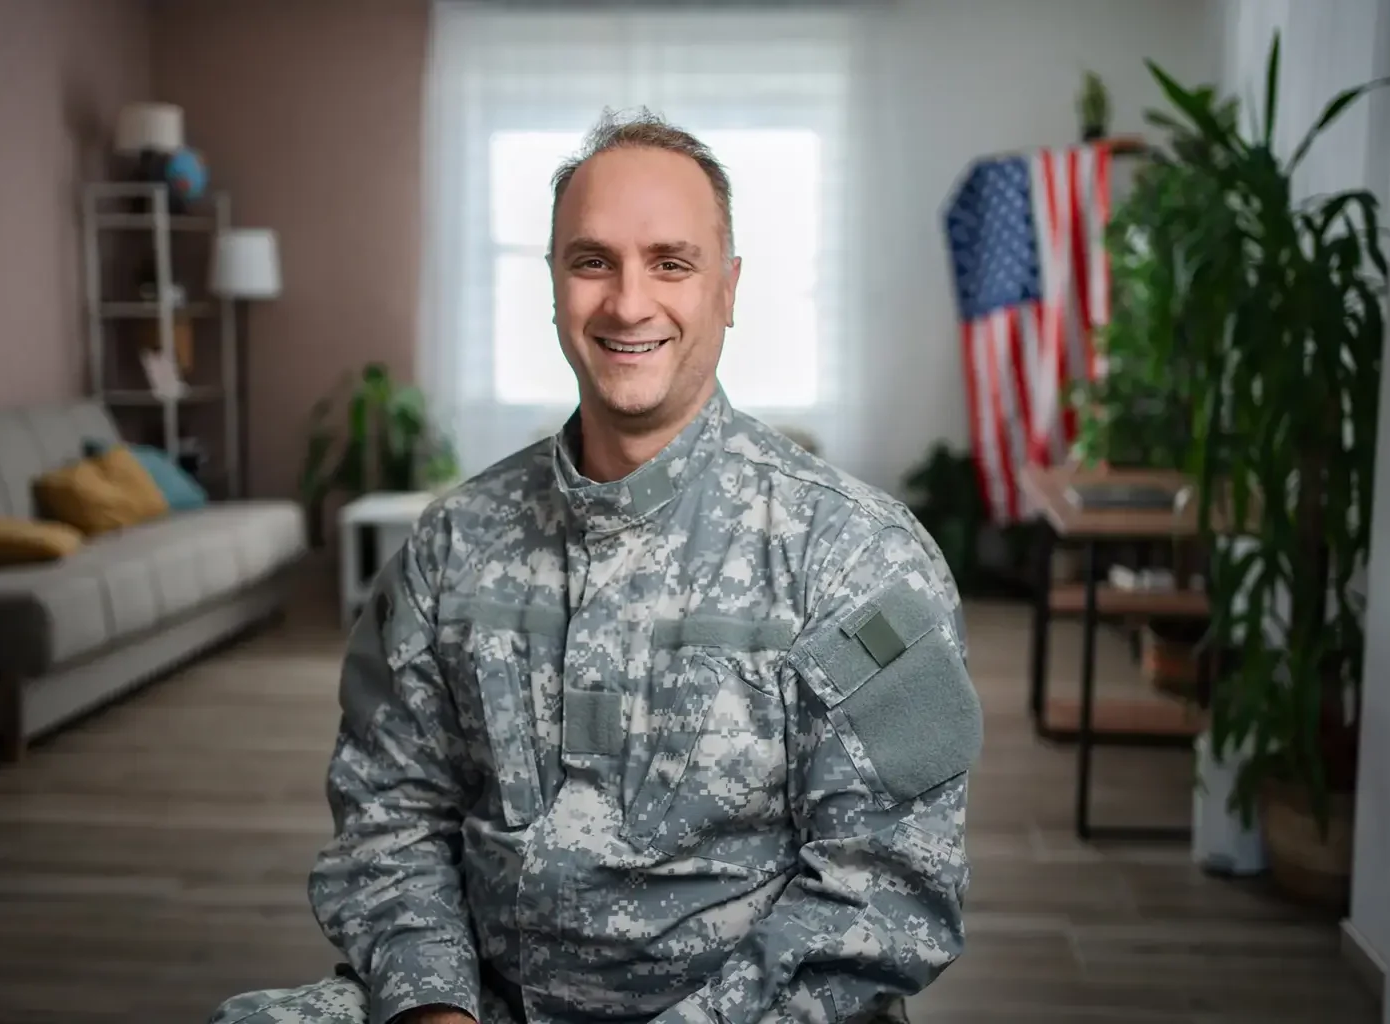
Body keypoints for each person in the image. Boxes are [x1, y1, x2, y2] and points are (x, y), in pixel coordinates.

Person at [209, 108, 982, 1024]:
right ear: (553, 286)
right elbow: (390, 814)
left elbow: (891, 889)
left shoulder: (857, 555)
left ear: (728, 288)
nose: (627, 302)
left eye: (671, 262)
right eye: (592, 261)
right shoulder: (453, 543)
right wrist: (432, 1007)